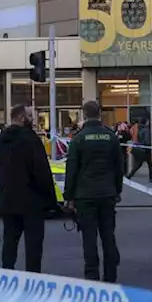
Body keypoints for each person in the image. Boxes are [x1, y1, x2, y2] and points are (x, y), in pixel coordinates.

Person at [63, 100, 124, 283]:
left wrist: (69, 197)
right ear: (100, 114)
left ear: (84, 115)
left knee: (89, 238)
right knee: (108, 235)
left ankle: (92, 275)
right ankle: (111, 275)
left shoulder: (79, 138)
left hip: (85, 195)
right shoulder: (111, 136)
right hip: (107, 194)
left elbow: (72, 169)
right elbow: (119, 167)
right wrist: (117, 190)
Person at [0, 104, 57, 273]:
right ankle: (33, 279)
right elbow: (42, 172)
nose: (33, 119)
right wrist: (51, 200)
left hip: (8, 198)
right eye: (30, 116)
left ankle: (7, 274)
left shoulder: (0, 139)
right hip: (31, 201)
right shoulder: (31, 139)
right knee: (33, 245)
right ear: (22, 118)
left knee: (9, 241)